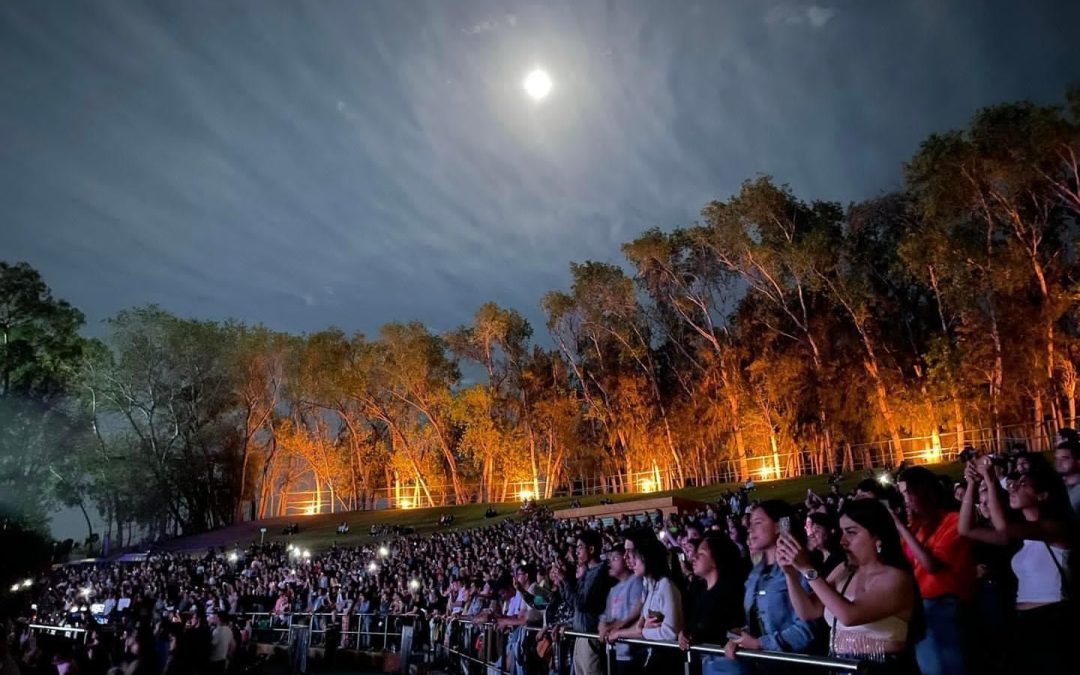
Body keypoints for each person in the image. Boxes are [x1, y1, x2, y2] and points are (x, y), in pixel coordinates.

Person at [777, 500, 918, 673]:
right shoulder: (843, 569)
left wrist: (808, 569)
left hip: (879, 667)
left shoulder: (896, 578)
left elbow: (849, 615)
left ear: (877, 536)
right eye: (842, 532)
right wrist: (790, 574)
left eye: (851, 532)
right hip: (839, 664)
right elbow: (810, 611)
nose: (843, 541)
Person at [964, 458, 1076, 673]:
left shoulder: (1055, 529)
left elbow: (1002, 526)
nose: (1014, 487)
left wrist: (989, 476)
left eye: (1023, 484)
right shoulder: (1023, 537)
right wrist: (972, 484)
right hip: (1024, 620)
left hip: (1052, 618)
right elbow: (966, 529)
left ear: (1043, 495)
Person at [894, 466, 974, 675]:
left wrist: (900, 527)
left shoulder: (952, 521)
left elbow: (931, 565)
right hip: (919, 607)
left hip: (943, 605)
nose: (904, 500)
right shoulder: (916, 527)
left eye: (906, 493)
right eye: (901, 494)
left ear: (921, 491)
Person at [724, 500, 818, 671]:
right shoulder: (755, 574)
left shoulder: (798, 569)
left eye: (758, 523)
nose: (750, 529)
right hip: (761, 666)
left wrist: (760, 643)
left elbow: (807, 629)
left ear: (778, 527)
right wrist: (738, 639)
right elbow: (757, 620)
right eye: (750, 524)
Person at [607, 537, 682, 675]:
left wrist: (644, 631)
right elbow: (640, 627)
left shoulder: (665, 585)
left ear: (646, 556)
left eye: (631, 553)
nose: (627, 558)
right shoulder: (648, 586)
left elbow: (670, 632)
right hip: (652, 659)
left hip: (666, 664)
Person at [680, 535, 747, 675]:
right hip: (707, 664)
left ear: (716, 560)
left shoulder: (732, 592)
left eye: (701, 554)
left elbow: (740, 626)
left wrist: (734, 639)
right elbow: (694, 623)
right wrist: (684, 634)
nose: (694, 558)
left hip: (729, 664)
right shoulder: (699, 590)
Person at [552, 530, 616, 675]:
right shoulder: (587, 572)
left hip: (591, 638)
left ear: (592, 549)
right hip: (580, 636)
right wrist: (561, 582)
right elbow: (572, 602)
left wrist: (564, 580)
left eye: (580, 547)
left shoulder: (600, 573)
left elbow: (582, 603)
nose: (576, 551)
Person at [598, 544, 645, 675]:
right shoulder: (614, 589)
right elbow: (606, 616)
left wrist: (612, 627)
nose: (610, 563)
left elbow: (636, 612)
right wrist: (602, 626)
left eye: (614, 559)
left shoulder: (636, 581)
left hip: (635, 652)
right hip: (618, 651)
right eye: (609, 559)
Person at [805, 513, 844, 578]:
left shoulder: (839, 557)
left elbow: (819, 583)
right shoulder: (814, 558)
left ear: (830, 530)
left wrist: (804, 566)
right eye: (809, 531)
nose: (811, 535)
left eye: (816, 530)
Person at [1053, 440, 1080, 520]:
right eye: (1056, 459)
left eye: (1064, 459)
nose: (1058, 463)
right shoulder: (1054, 484)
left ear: (1078, 462)